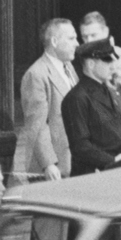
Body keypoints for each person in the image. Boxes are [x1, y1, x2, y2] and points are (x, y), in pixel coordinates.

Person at [61, 35, 121, 175]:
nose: (112, 66)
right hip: (93, 174)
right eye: (107, 61)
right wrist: (113, 161)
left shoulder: (106, 90)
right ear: (90, 64)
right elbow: (80, 146)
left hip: (114, 169)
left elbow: (114, 133)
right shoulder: (77, 98)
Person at [14, 19, 77, 183]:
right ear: (54, 42)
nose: (77, 44)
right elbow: (37, 124)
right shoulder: (36, 74)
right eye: (71, 38)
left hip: (73, 162)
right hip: (54, 169)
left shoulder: (69, 67)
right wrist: (48, 163)